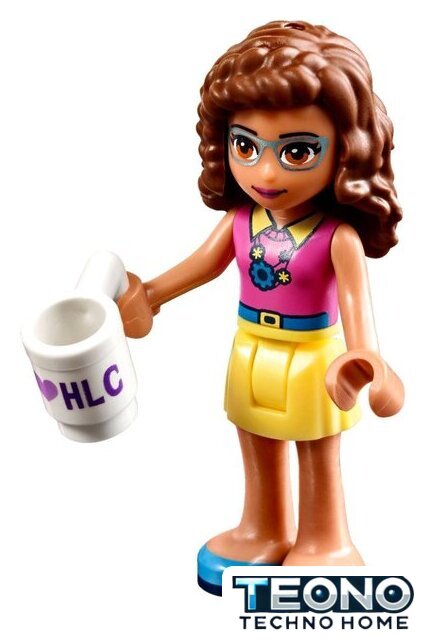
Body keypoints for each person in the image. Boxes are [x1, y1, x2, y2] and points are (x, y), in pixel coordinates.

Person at [117, 20, 404, 596]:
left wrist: (366, 360)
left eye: (297, 151)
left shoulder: (337, 237)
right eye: (246, 146)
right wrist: (148, 296)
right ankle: (264, 528)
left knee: (316, 450)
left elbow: (358, 311)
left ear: (346, 151)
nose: (265, 172)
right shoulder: (240, 221)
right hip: (250, 347)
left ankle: (326, 539)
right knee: (255, 439)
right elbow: (198, 267)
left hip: (312, 355)